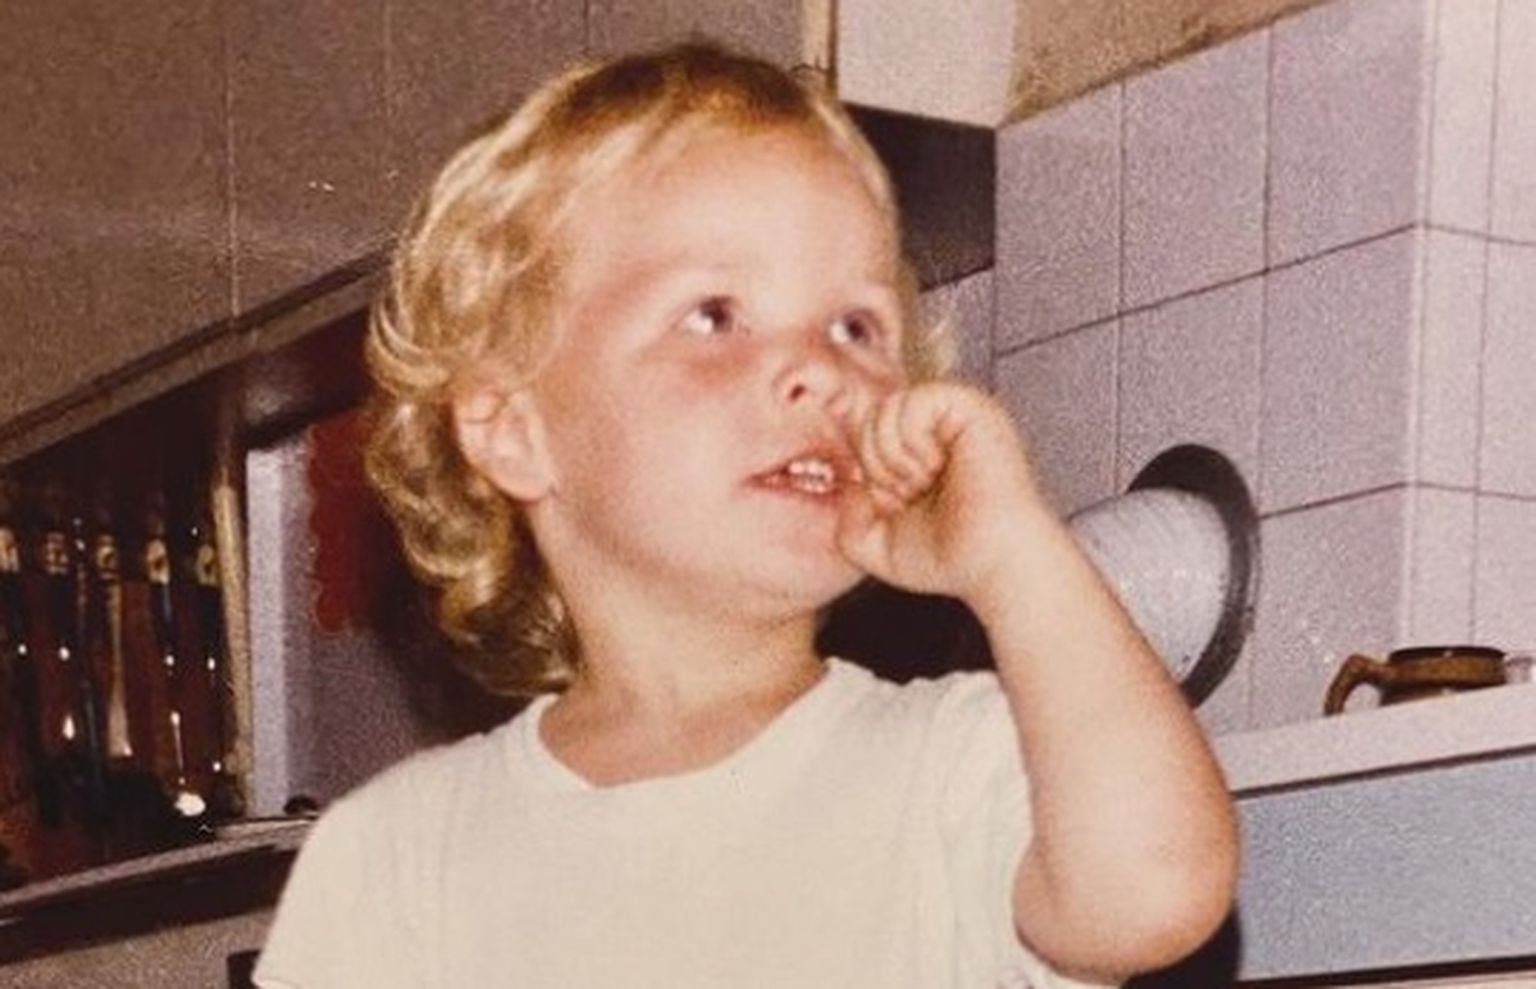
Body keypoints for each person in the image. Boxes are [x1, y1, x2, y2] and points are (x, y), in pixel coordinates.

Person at [254, 41, 1238, 989]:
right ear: (515, 432)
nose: (820, 367)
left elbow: (1158, 892)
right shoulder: (393, 854)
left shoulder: (953, 763)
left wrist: (1014, 554)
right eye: (716, 314)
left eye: (856, 325)